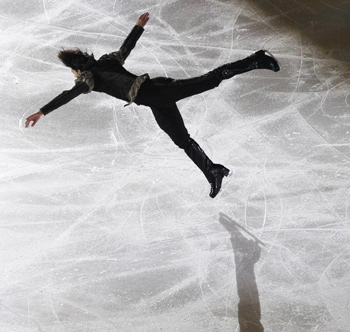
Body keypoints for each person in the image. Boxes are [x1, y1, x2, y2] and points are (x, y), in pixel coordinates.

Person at [25, 12, 280, 198]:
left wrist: (42, 111)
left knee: (211, 79)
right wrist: (137, 27)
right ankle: (213, 171)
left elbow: (68, 94)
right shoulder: (105, 61)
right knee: (182, 140)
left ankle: (256, 59)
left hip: (158, 92)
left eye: (73, 70)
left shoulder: (89, 78)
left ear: (77, 68)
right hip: (155, 100)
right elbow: (126, 48)